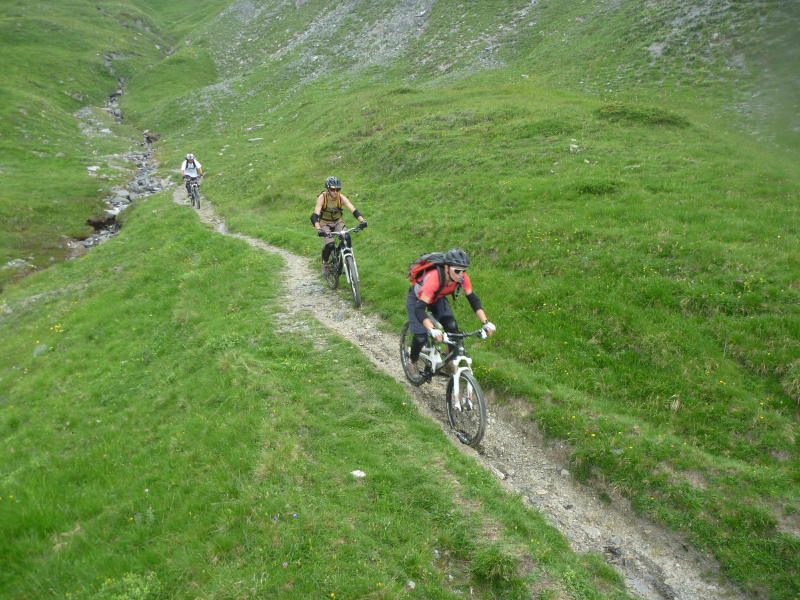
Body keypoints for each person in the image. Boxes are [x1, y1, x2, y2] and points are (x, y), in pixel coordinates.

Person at [406, 248, 496, 376]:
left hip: (437, 297)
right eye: (457, 270)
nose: (461, 274)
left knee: (452, 327)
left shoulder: (463, 278)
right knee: (421, 336)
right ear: (447, 268)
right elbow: (419, 308)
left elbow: (473, 299)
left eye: (464, 270)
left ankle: (449, 361)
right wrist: (432, 329)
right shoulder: (434, 279)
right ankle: (412, 361)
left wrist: (485, 322)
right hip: (418, 299)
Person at [310, 176, 367, 273]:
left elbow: (353, 209)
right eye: (333, 189)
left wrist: (362, 221)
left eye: (338, 189)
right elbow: (315, 215)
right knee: (330, 244)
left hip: (337, 222)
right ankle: (325, 263)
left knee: (347, 237)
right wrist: (319, 229)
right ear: (328, 189)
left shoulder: (341, 198)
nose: (335, 192)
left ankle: (349, 261)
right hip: (324, 223)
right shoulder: (322, 197)